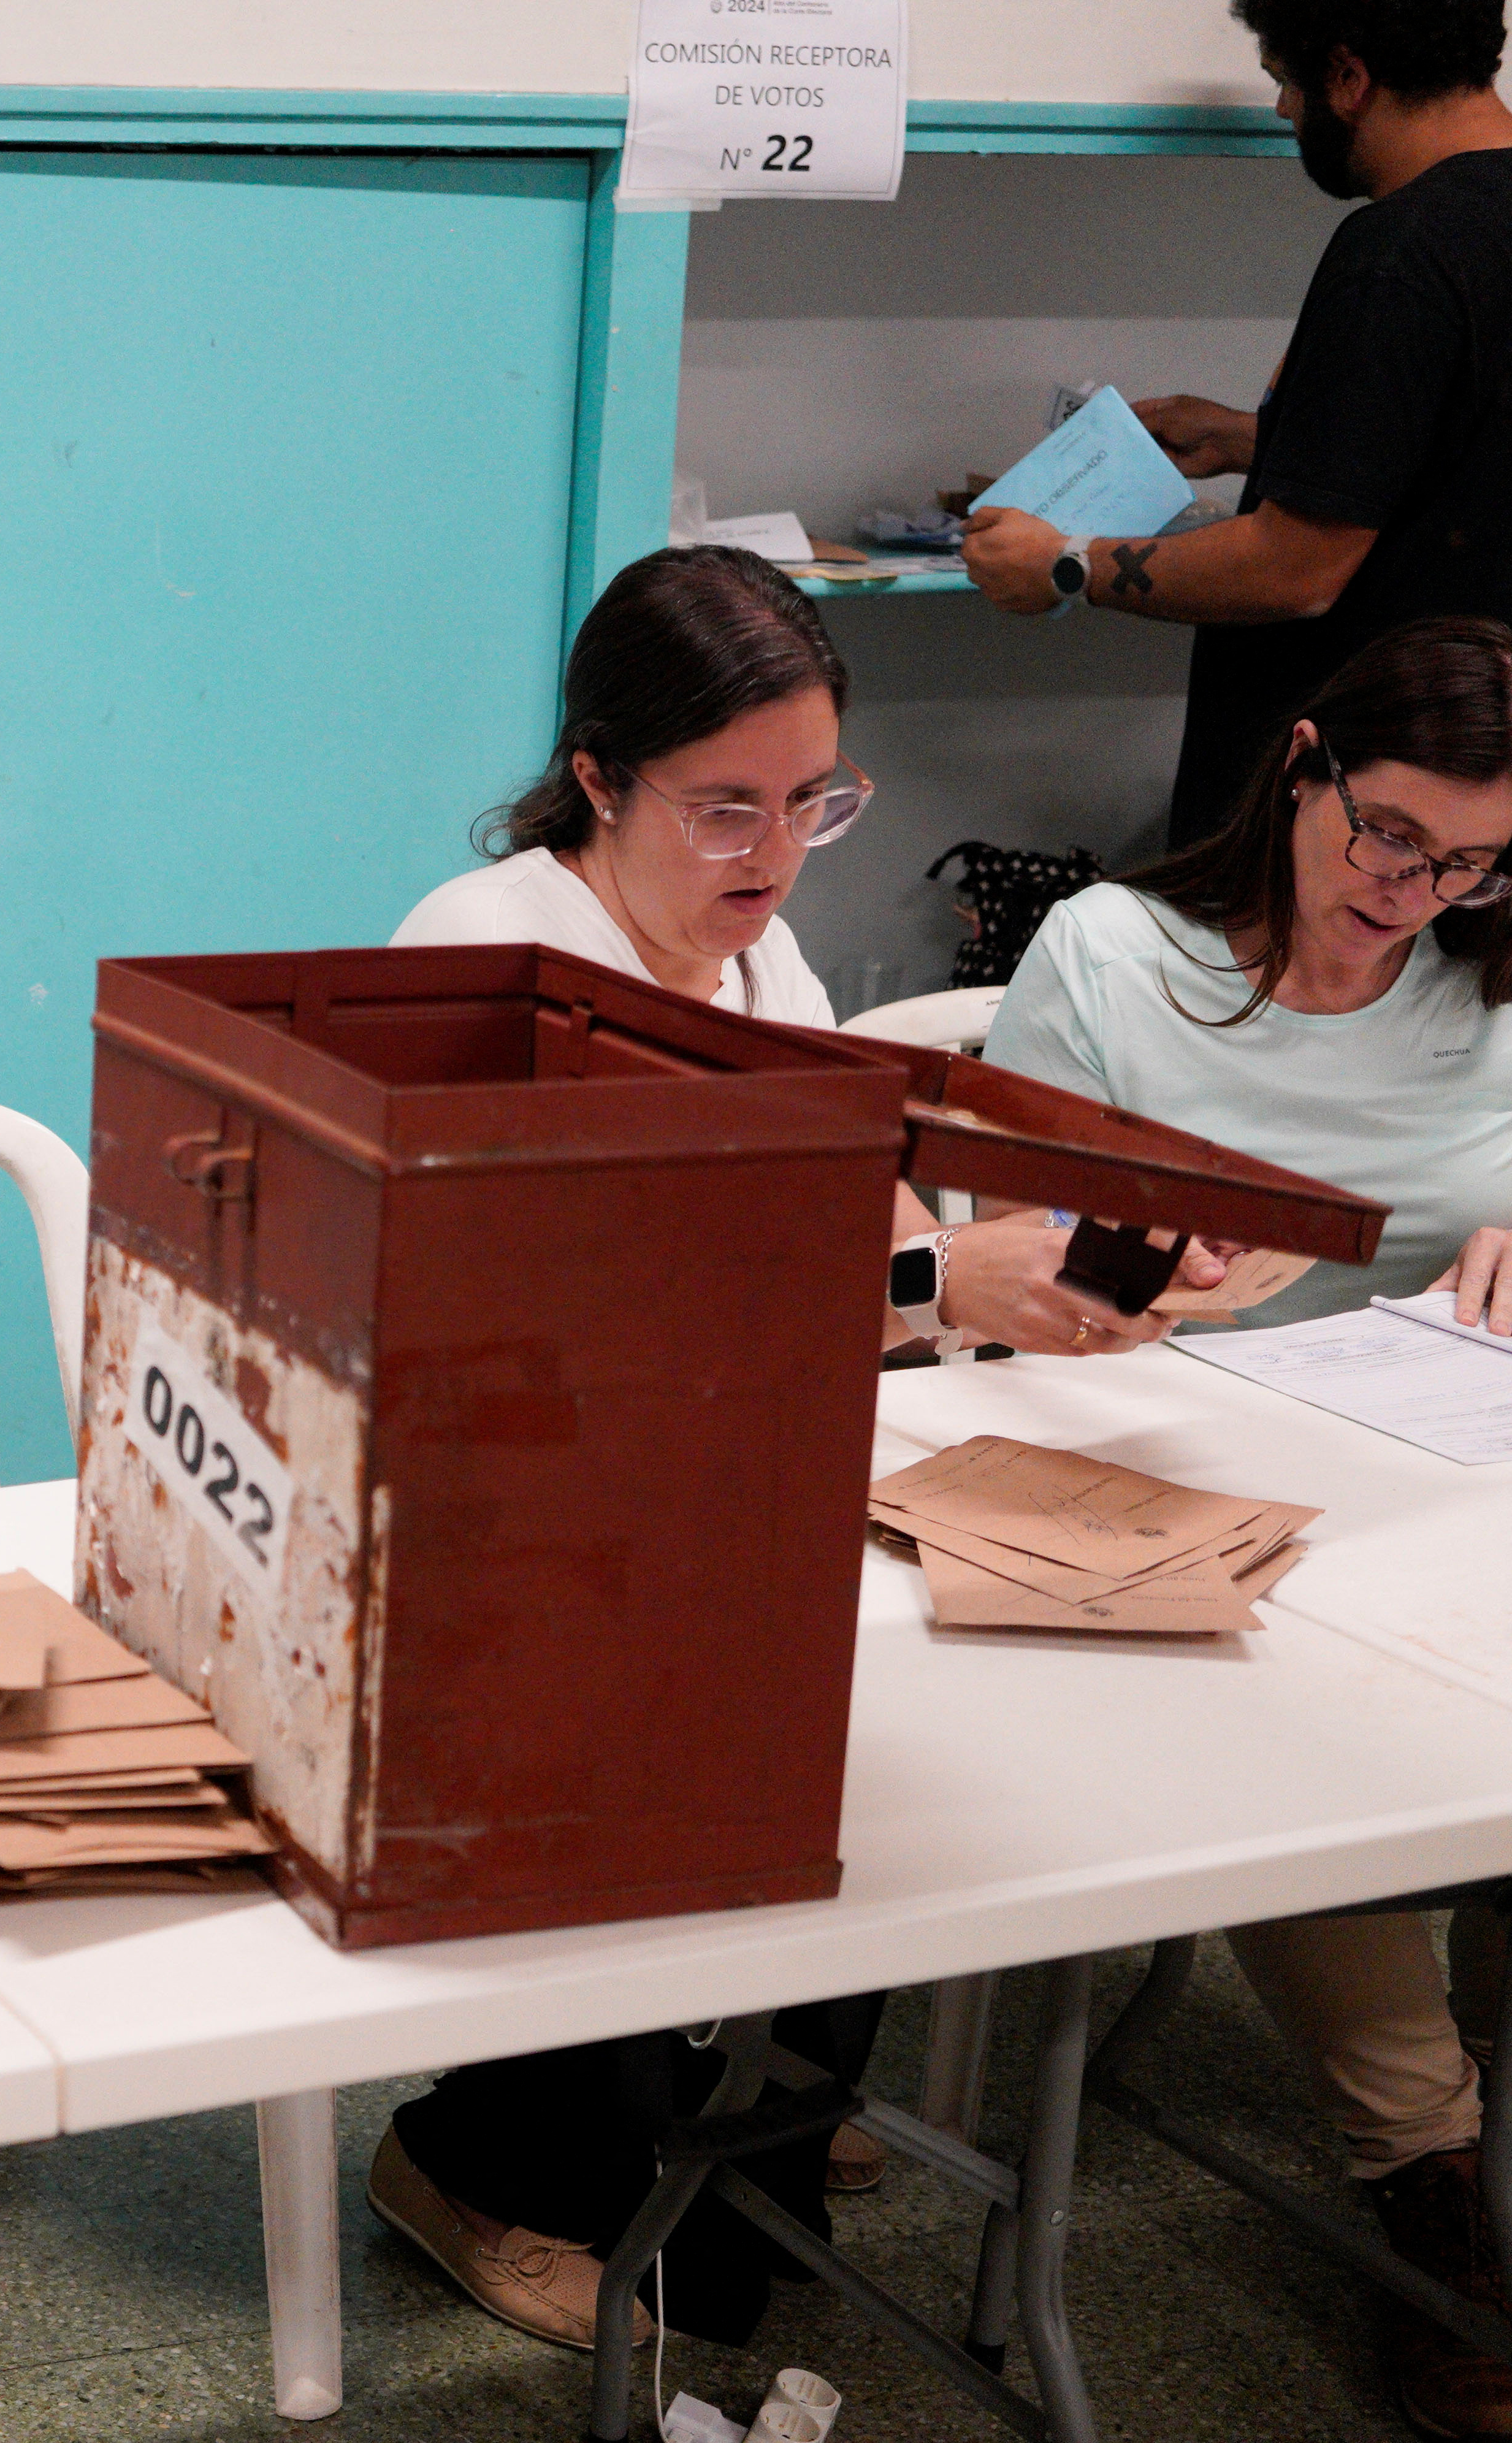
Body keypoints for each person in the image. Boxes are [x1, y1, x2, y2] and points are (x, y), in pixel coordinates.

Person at [368, 546, 1218, 2353]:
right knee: (687, 1710)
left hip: (709, 1493)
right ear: (599, 779)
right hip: (494, 1527)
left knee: (887, 1708)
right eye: (725, 807)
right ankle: (479, 2162)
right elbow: (576, 1313)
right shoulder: (489, 951)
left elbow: (833, 1217)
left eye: (814, 803)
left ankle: (758, 2088)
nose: (768, 854)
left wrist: (1062, 1263)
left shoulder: (760, 964)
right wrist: (923, 1275)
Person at [986, 613, 1512, 2437]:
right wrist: (1140, 1271)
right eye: (1391, 839)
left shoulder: (1488, 981)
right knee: (1320, 1709)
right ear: (1301, 764)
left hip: (1435, 1471)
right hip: (1142, 1465)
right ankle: (1429, 2177)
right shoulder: (1116, 959)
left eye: (1470, 863)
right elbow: (1002, 1265)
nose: (1418, 894)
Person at [960, 0, 1512, 848]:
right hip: (1475, 814)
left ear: (1348, 77)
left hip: (1357, 813)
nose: (1284, 110)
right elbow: (1473, 457)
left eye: (1286, 81)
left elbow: (1298, 571)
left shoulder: (1397, 254)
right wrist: (1257, 442)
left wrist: (1067, 564)